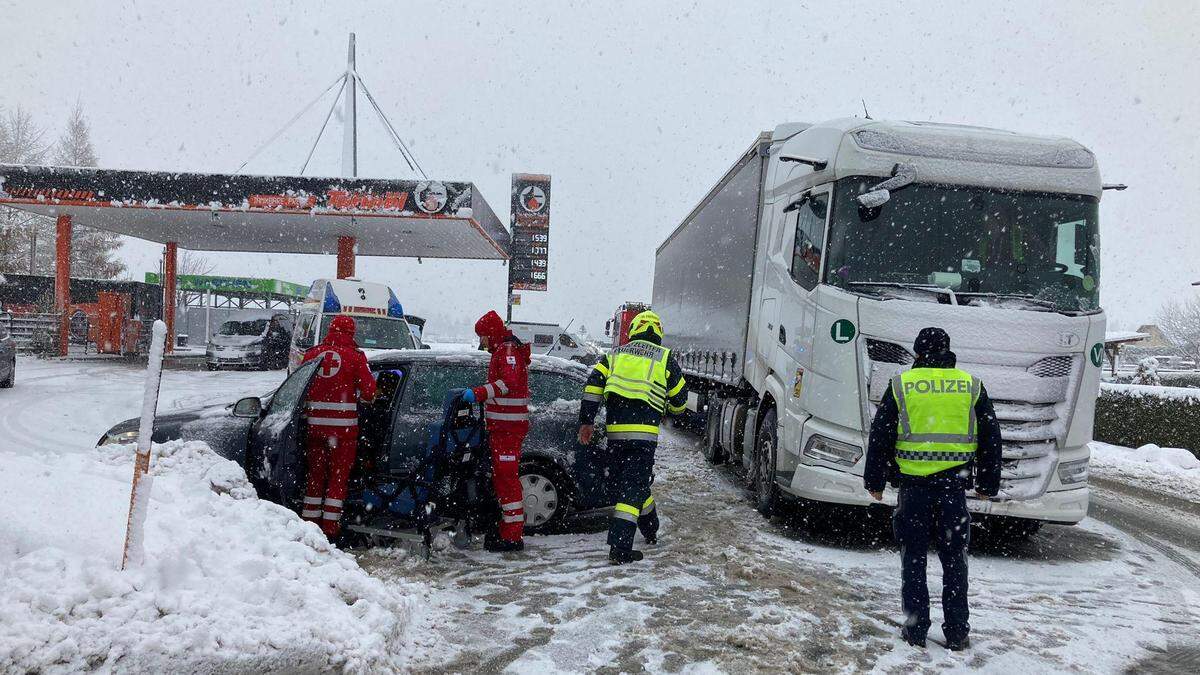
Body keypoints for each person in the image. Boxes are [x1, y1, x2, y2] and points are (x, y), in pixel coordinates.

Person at [864, 326, 1002, 651]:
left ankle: (915, 630)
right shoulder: (971, 385)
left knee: (913, 559)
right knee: (954, 560)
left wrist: (875, 481)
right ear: (947, 351)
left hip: (914, 490)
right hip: (953, 490)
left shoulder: (903, 385)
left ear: (918, 354)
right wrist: (987, 482)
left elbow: (881, 434)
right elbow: (991, 437)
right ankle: (957, 632)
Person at [578, 310, 687, 565]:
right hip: (643, 439)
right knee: (633, 487)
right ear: (658, 332)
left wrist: (587, 421)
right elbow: (681, 402)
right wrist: (668, 408)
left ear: (634, 330)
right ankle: (620, 548)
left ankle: (651, 527)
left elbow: (593, 386)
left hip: (616, 436)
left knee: (625, 486)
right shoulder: (665, 358)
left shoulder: (614, 355)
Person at [461, 310, 532, 552]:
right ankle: (508, 531)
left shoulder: (507, 352)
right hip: (503, 429)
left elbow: (507, 384)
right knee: (504, 480)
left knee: (507, 480)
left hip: (507, 430)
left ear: (491, 333)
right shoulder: (503, 351)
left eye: (482, 336)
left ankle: (512, 537)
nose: (481, 341)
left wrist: (479, 393)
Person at [300, 315, 377, 539]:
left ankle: (308, 527)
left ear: (330, 330)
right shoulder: (355, 357)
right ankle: (330, 531)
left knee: (314, 478)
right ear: (352, 333)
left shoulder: (312, 354)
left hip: (314, 429)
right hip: (343, 433)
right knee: (337, 480)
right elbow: (370, 393)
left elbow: (299, 387)